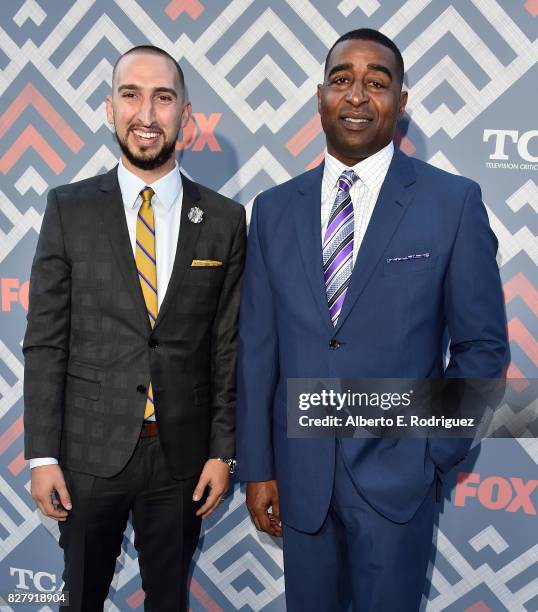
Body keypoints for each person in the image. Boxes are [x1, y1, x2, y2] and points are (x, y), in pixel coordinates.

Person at [236, 28, 508, 611]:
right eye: (342, 80)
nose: (357, 95)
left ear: (401, 102)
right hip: (299, 481)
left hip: (398, 480)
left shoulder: (452, 202)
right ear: (319, 97)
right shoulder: (274, 209)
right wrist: (258, 468)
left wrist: (435, 449)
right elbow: (258, 350)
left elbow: (482, 348)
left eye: (377, 82)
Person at [23, 45, 245, 611]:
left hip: (182, 459)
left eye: (163, 98)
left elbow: (226, 347)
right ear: (109, 108)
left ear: (185, 116)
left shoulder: (222, 219)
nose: (146, 114)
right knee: (82, 600)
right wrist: (42, 456)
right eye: (131, 95)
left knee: (168, 601)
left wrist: (223, 451)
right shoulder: (69, 209)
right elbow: (46, 339)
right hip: (86, 455)